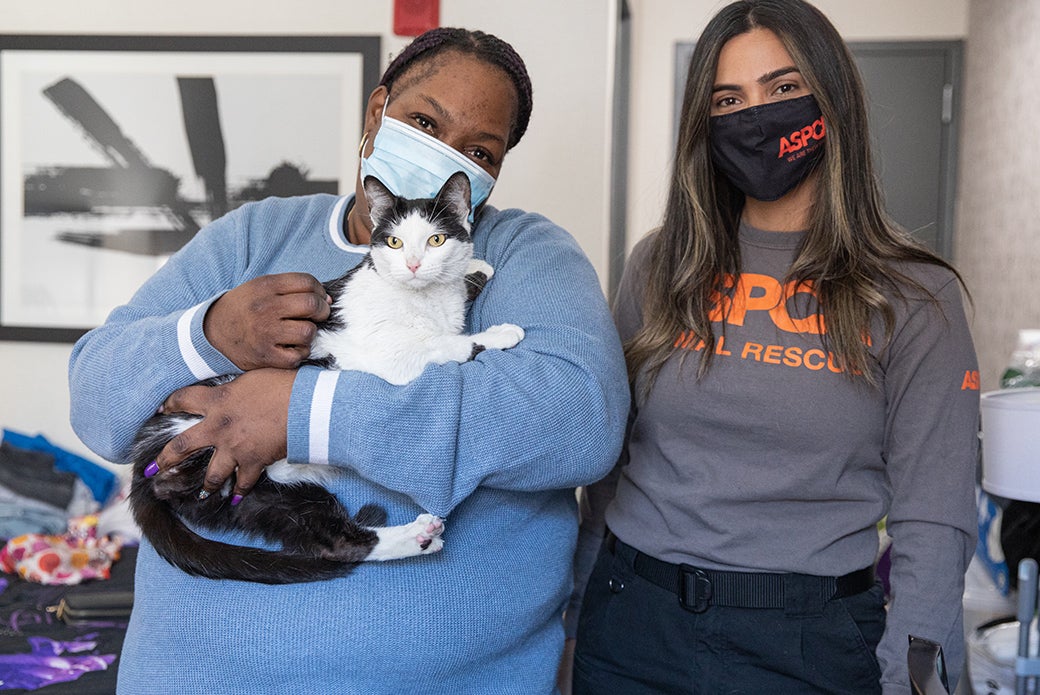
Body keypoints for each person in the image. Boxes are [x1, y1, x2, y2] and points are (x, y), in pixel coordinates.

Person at [68, 27, 629, 695]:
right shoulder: (253, 235)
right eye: (425, 123)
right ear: (377, 112)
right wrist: (209, 331)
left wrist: (303, 411)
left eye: (480, 150)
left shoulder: (524, 255)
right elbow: (96, 402)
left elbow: (581, 418)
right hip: (192, 676)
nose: (446, 154)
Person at [567, 2, 979, 694]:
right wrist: (574, 619)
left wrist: (917, 677)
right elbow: (608, 471)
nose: (755, 118)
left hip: (809, 643)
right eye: (728, 100)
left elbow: (935, 519)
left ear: (832, 99)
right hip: (633, 622)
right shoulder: (661, 265)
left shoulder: (915, 297)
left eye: (783, 88)